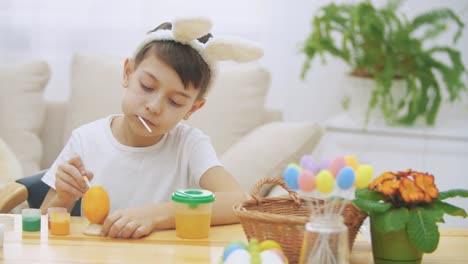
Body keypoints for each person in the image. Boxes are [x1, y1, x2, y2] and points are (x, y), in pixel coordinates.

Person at [40, 17, 263, 239]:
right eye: (147, 86)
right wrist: (64, 198)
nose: (154, 107)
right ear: (128, 73)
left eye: (175, 102)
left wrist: (157, 215)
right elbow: (39, 225)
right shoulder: (86, 140)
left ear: (192, 109)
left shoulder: (189, 145)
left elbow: (238, 200)